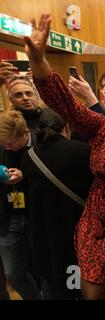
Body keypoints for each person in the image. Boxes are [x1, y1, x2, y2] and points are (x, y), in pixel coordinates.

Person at [24, 14, 105, 299]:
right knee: (95, 295)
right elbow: (65, 104)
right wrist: (38, 59)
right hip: (96, 225)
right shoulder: (103, 128)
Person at [21, 108, 93, 299]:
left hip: (45, 239)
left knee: (57, 290)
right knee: (81, 288)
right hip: (78, 235)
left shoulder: (30, 157)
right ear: (67, 128)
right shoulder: (82, 151)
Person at [0, 110, 41, 300]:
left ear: (25, 133)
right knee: (14, 273)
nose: (7, 148)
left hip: (38, 216)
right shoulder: (3, 145)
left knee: (44, 269)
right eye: (3, 144)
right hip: (9, 219)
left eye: (11, 143)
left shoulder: (41, 142)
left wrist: (26, 176)